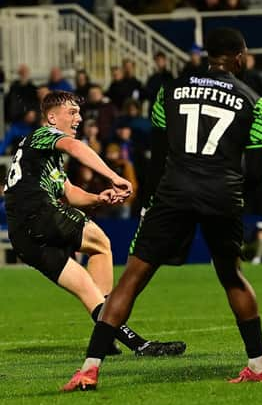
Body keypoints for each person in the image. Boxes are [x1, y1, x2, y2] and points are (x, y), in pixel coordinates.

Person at [63, 27, 262, 392]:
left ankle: (89, 369)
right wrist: (230, 194)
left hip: (173, 192)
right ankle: (258, 365)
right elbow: (256, 173)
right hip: (221, 194)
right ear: (239, 57)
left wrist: (150, 202)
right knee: (232, 276)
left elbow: (157, 156)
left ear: (207, 54)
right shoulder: (253, 101)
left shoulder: (170, 90)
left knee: (132, 279)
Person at [3, 91, 184, 361]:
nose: (78, 118)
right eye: (71, 112)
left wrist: (98, 198)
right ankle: (108, 333)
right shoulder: (43, 135)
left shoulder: (42, 157)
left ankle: (130, 343)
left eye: (79, 112)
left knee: (87, 289)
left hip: (23, 235)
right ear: (52, 118)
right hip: (38, 213)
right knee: (101, 245)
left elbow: (71, 192)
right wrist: (114, 177)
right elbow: (77, 148)